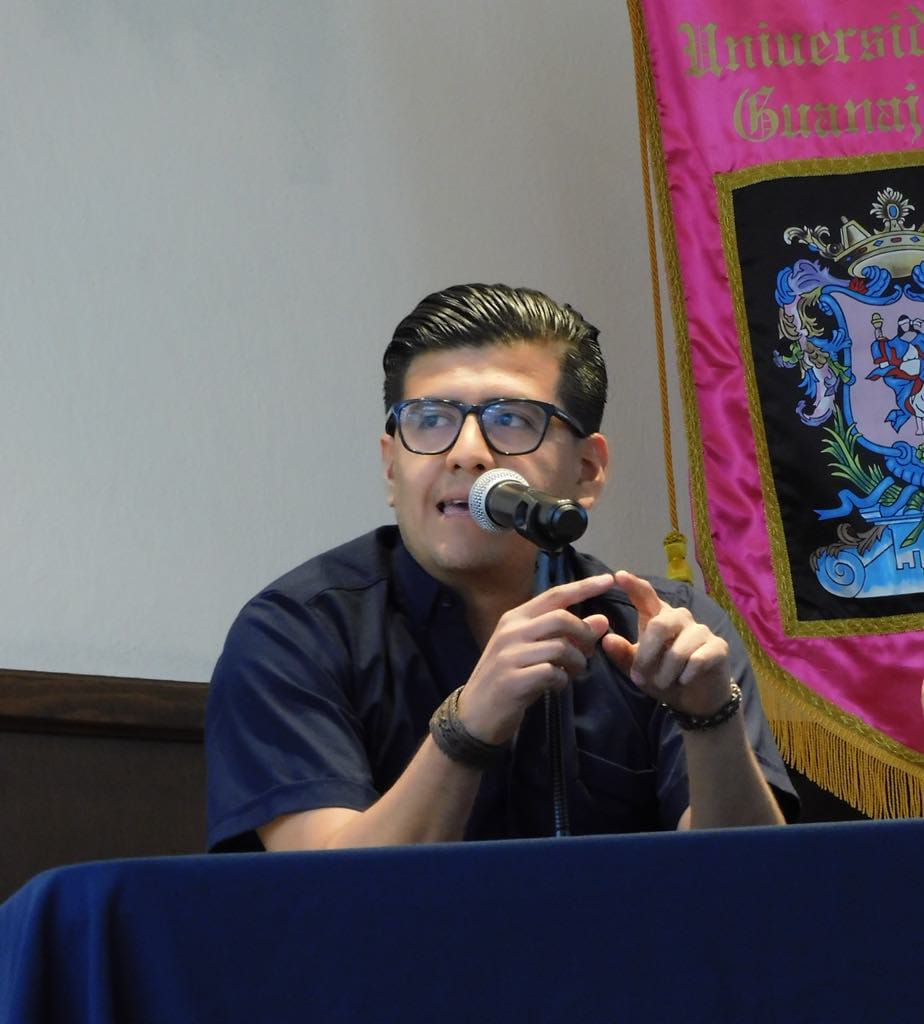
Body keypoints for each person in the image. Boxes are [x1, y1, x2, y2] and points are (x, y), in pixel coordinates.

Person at [206, 283, 797, 852]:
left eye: (511, 418)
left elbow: (751, 889)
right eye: (430, 419)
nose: (467, 453)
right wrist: (465, 729)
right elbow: (326, 893)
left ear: (587, 471)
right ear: (391, 468)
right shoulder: (294, 632)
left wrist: (710, 720)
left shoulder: (666, 626)